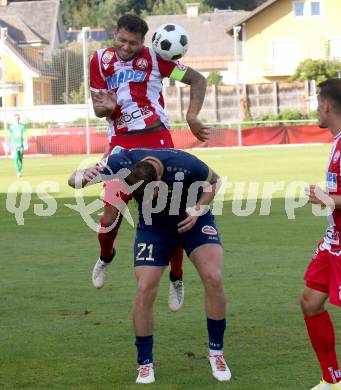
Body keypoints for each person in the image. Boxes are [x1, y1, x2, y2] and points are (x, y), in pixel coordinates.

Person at [68, 147, 231, 384]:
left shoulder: (184, 163)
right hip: (154, 226)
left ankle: (217, 354)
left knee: (213, 277)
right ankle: (145, 364)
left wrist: (198, 209)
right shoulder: (120, 162)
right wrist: (86, 173)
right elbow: (72, 181)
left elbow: (213, 181)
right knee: (145, 288)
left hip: (192, 219)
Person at [89, 14, 209, 311]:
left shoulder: (157, 60)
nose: (126, 47)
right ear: (114, 33)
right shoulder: (99, 61)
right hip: (121, 144)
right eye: (121, 40)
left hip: (157, 140)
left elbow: (198, 79)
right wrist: (104, 110)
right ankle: (106, 257)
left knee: (170, 215)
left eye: (132, 43)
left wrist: (192, 117)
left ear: (143, 42)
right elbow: (98, 107)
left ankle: (177, 277)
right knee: (109, 215)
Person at [302, 78, 341, 390]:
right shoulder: (337, 142)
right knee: (311, 301)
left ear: (326, 105)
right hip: (333, 240)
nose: (316, 108)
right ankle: (332, 380)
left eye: (317, 102)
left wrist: (325, 198)